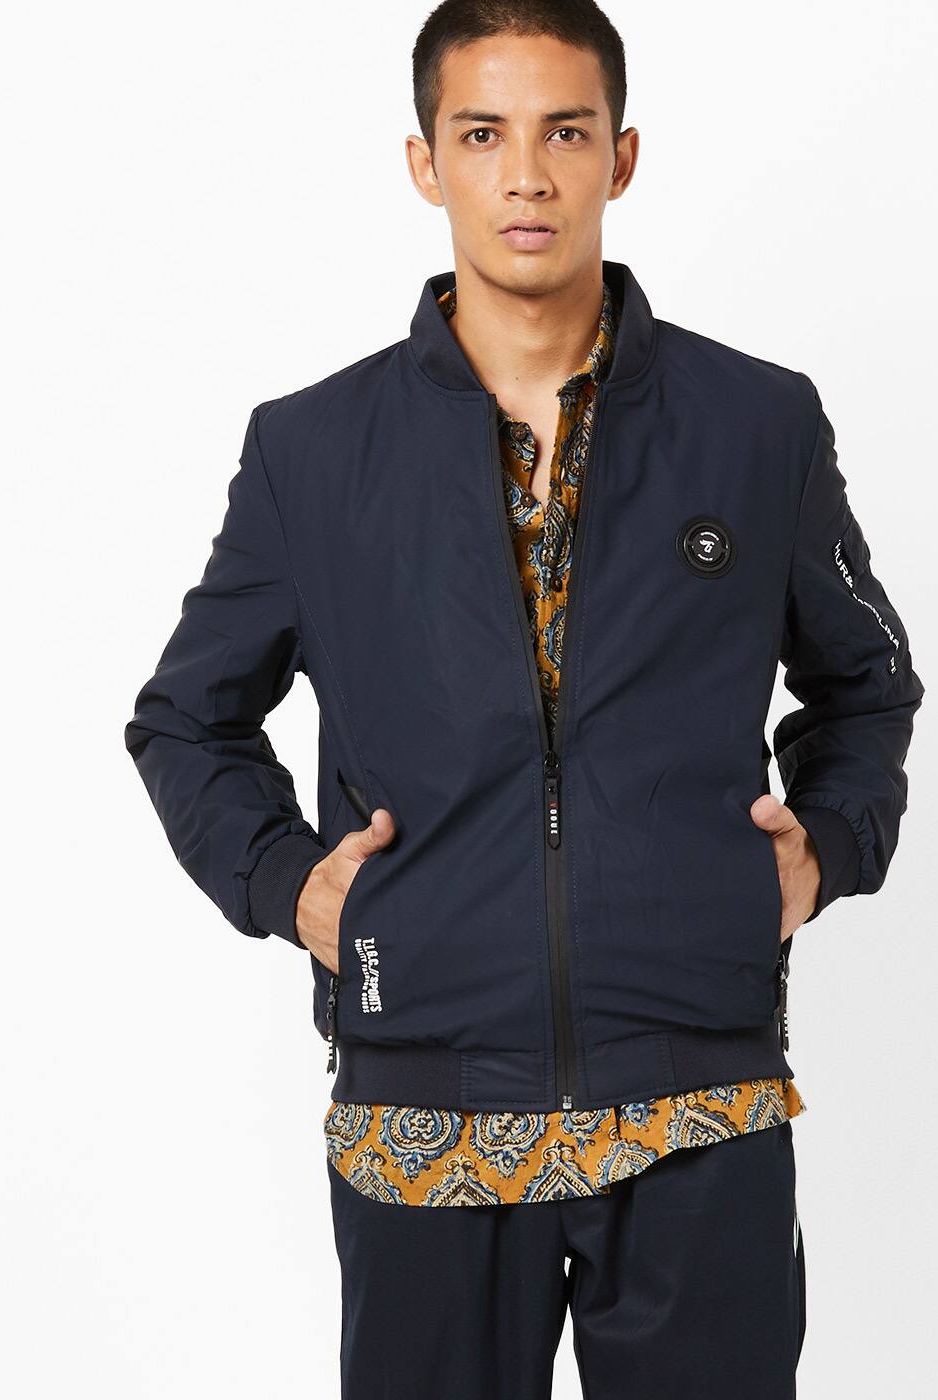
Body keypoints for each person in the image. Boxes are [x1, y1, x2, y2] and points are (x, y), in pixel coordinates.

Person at [124, 2, 924, 1395]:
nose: (527, 177)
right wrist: (285, 884)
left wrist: (827, 847)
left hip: (698, 1097)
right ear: (426, 164)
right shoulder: (312, 451)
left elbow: (867, 686)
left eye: (564, 133)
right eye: (483, 135)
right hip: (421, 1109)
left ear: (621, 156)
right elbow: (186, 718)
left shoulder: (757, 424)